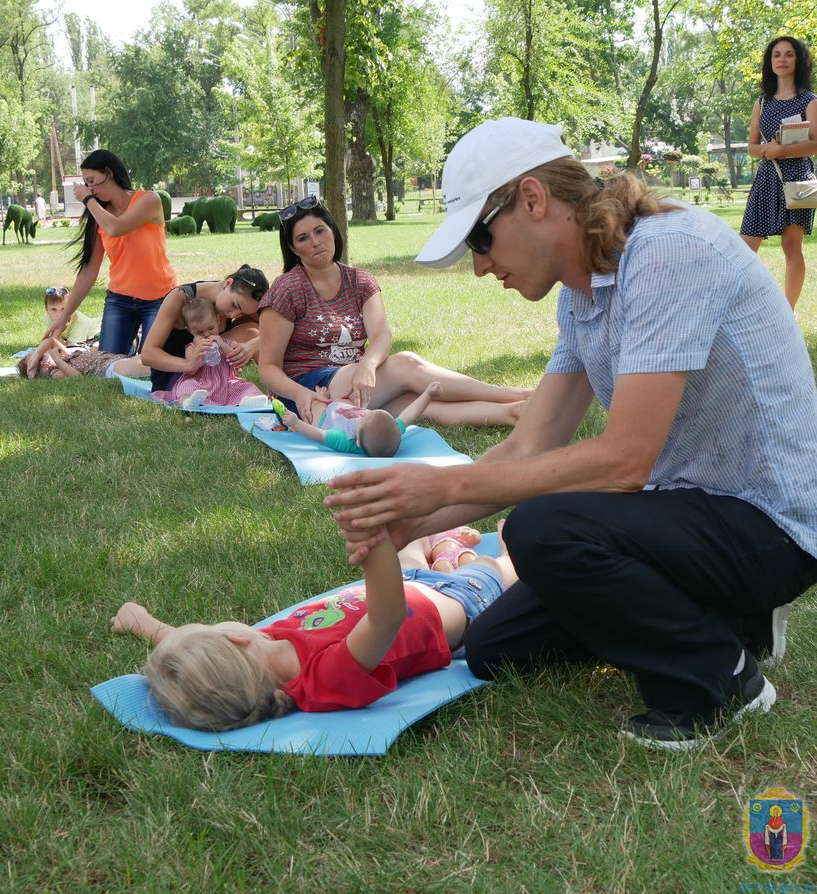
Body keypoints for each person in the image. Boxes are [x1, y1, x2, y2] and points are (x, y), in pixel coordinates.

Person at [324, 117, 817, 752]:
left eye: (480, 238)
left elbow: (625, 461)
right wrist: (410, 522)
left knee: (542, 529)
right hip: (689, 509)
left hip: (771, 526)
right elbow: (529, 444)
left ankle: (721, 678)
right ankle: (726, 615)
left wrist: (442, 488)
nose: (479, 267)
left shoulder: (668, 253)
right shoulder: (580, 296)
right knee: (494, 648)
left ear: (533, 199)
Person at [109, 526, 515, 731]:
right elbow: (386, 617)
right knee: (501, 564)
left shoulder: (255, 656)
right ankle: (489, 550)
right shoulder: (325, 677)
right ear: (236, 638)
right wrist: (373, 545)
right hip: (464, 603)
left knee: (411, 545)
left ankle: (442, 549)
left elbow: (185, 650)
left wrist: (142, 622)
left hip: (407, 582)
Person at [257, 197, 533, 428]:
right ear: (293, 248)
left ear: (332, 230)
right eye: (303, 238)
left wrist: (367, 365)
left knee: (423, 404)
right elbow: (268, 367)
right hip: (309, 390)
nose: (315, 242)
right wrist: (300, 393)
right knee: (407, 364)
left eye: (320, 231)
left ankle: (514, 413)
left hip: (357, 382)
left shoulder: (360, 281)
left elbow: (381, 335)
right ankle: (518, 395)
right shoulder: (287, 288)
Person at [44, 149, 177, 354]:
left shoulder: (149, 200)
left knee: (150, 361)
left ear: (109, 173)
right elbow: (89, 270)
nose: (89, 189)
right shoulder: (100, 215)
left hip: (160, 298)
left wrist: (87, 199)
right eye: (86, 184)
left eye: (91, 181)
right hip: (120, 300)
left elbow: (116, 228)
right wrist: (64, 317)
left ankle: (136, 347)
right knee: (106, 363)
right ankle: (131, 345)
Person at [740, 36, 817, 309]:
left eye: (788, 54)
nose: (782, 59)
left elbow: (816, 144)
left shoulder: (810, 101)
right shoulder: (761, 102)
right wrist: (767, 150)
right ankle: (745, 307)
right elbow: (751, 147)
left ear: (798, 61)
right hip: (767, 176)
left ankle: (788, 312)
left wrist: (782, 150)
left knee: (791, 247)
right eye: (776, 54)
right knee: (745, 246)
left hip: (797, 178)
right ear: (770, 62)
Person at [140, 265, 268, 394]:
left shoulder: (241, 300)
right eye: (234, 305)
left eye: (242, 313)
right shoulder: (180, 297)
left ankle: (274, 387)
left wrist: (252, 346)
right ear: (228, 283)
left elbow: (275, 333)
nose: (233, 315)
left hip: (215, 378)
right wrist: (189, 364)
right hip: (180, 381)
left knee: (254, 332)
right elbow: (147, 355)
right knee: (251, 332)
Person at [150, 293, 265, 408]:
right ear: (189, 330)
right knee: (185, 387)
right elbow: (191, 371)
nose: (207, 334)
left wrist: (222, 346)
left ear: (218, 320)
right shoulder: (192, 348)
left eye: (211, 328)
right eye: (199, 332)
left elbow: (235, 362)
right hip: (200, 384)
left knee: (246, 387)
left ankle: (248, 400)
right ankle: (187, 402)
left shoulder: (227, 343)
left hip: (225, 385)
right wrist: (199, 353)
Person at [281, 381, 443, 456]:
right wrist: (428, 394)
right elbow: (410, 414)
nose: (363, 416)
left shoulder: (345, 440)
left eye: (363, 419)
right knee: (345, 401)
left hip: (325, 418)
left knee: (315, 409)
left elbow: (318, 435)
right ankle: (329, 399)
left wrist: (296, 423)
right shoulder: (391, 429)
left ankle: (321, 399)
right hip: (344, 410)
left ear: (358, 441)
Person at [18, 336, 149, 380]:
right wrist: (56, 361)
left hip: (114, 359)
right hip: (109, 368)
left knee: (150, 358)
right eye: (39, 367)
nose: (44, 362)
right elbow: (77, 378)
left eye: (41, 358)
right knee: (152, 366)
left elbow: (51, 340)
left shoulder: (66, 357)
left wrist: (36, 355)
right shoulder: (55, 372)